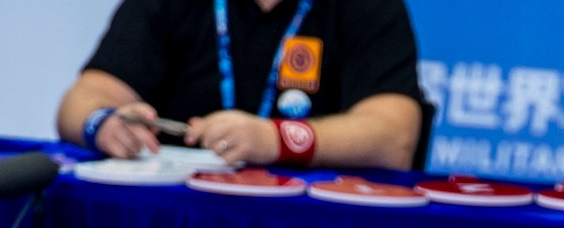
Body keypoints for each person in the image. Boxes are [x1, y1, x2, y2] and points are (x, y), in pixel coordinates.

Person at [55, 0, 424, 170]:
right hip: (184, 213)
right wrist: (103, 123)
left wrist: (276, 140)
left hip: (308, 226)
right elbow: (81, 100)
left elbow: (394, 138)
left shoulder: (371, 8)